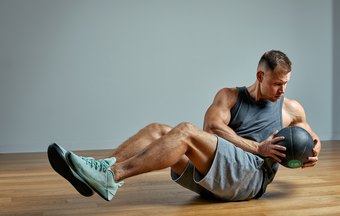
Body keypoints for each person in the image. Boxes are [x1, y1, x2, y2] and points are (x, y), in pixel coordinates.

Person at [48, 50, 321, 202]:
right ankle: (99, 170)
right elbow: (212, 129)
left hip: (250, 180)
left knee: (186, 132)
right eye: (277, 83)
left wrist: (313, 150)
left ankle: (109, 177)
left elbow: (312, 138)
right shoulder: (230, 96)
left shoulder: (290, 109)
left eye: (286, 83)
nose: (282, 90)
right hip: (215, 177)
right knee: (158, 130)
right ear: (260, 75)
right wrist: (257, 145)